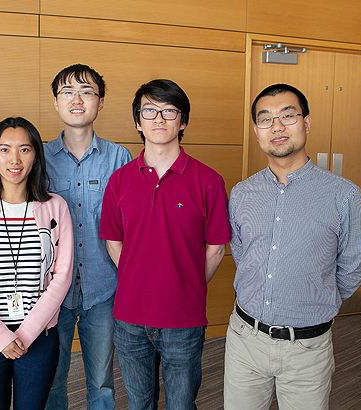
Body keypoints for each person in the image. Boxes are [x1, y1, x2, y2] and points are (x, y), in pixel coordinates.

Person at [225, 83, 361, 410]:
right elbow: (243, 254)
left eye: (287, 116)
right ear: (256, 130)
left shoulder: (343, 195)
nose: (277, 127)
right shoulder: (242, 193)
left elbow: (353, 266)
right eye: (266, 119)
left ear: (306, 122)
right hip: (245, 340)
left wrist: (315, 297)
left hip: (307, 347)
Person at [99, 79, 231, 410]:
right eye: (149, 111)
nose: (159, 118)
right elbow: (114, 241)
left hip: (183, 318)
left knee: (181, 404)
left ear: (182, 121)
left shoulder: (208, 181)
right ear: (138, 122)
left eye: (169, 111)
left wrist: (185, 283)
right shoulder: (120, 180)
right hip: (129, 317)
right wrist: (138, 277)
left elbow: (216, 249)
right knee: (139, 404)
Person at [0, 116, 73, 410]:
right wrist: (0, 335)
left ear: (36, 156)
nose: (15, 159)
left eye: (24, 149)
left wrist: (25, 333)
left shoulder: (55, 207)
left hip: (39, 335)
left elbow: (62, 276)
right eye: (4, 149)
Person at [44, 63, 131, 410]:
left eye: (86, 92)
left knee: (102, 382)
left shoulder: (119, 158)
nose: (77, 100)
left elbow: (130, 226)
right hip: (52, 291)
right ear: (56, 102)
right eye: (67, 92)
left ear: (100, 102)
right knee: (52, 380)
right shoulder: (39, 158)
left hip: (103, 288)